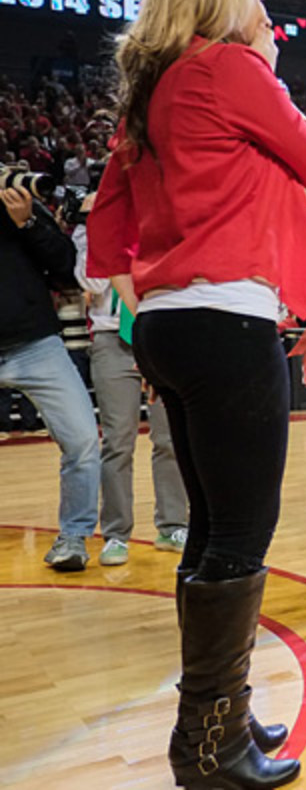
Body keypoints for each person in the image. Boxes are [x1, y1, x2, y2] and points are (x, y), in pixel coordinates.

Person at [87, 0, 306, 789]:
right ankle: (208, 746)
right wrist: (267, 64)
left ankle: (222, 715)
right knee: (241, 531)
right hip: (227, 316)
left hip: (165, 320)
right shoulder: (231, 70)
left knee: (207, 525)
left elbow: (115, 222)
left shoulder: (152, 88)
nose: (266, 8)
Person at [72, 195, 189, 567]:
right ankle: (116, 533)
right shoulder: (92, 230)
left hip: (161, 333)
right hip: (112, 339)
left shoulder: (165, 223)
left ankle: (173, 525)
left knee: (169, 439)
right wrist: (103, 231)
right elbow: (87, 279)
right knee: (118, 441)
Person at [0, 179, 100, 572]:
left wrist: (28, 223)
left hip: (35, 343)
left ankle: (74, 537)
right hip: (32, 340)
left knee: (82, 441)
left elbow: (65, 270)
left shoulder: (13, 197)